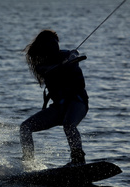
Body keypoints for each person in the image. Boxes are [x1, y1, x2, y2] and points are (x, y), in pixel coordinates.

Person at [20, 29, 89, 167]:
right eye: (50, 44)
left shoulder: (67, 55)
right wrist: (62, 65)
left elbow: (75, 54)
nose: (55, 46)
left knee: (69, 125)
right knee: (25, 127)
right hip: (59, 107)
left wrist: (72, 56)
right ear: (44, 46)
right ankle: (28, 164)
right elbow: (49, 70)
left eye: (56, 43)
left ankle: (78, 160)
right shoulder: (41, 65)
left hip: (77, 103)